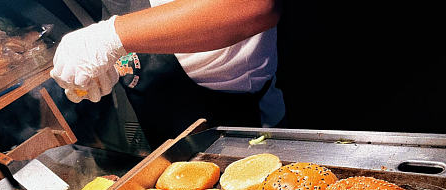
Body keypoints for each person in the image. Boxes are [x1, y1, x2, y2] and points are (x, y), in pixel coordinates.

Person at [51, 0, 285, 149]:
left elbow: (255, 6)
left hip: (236, 120)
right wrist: (116, 56)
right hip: (161, 121)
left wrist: (110, 38)